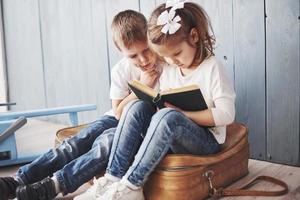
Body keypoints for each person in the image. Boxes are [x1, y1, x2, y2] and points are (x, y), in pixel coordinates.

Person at [76, 1, 236, 200]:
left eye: (176, 53)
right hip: (175, 134)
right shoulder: (170, 68)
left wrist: (184, 114)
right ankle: (113, 178)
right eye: (166, 57)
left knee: (169, 116)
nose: (171, 61)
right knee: (138, 105)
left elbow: (227, 114)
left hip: (206, 140)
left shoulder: (212, 68)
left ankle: (132, 186)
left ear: (194, 37)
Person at [0, 9, 161, 200]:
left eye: (146, 50)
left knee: (106, 142)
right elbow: (118, 111)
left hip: (139, 125)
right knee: (76, 143)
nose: (143, 60)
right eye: (133, 56)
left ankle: (52, 186)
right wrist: (140, 88)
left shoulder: (165, 63)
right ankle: (19, 179)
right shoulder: (120, 70)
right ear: (121, 51)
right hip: (115, 117)